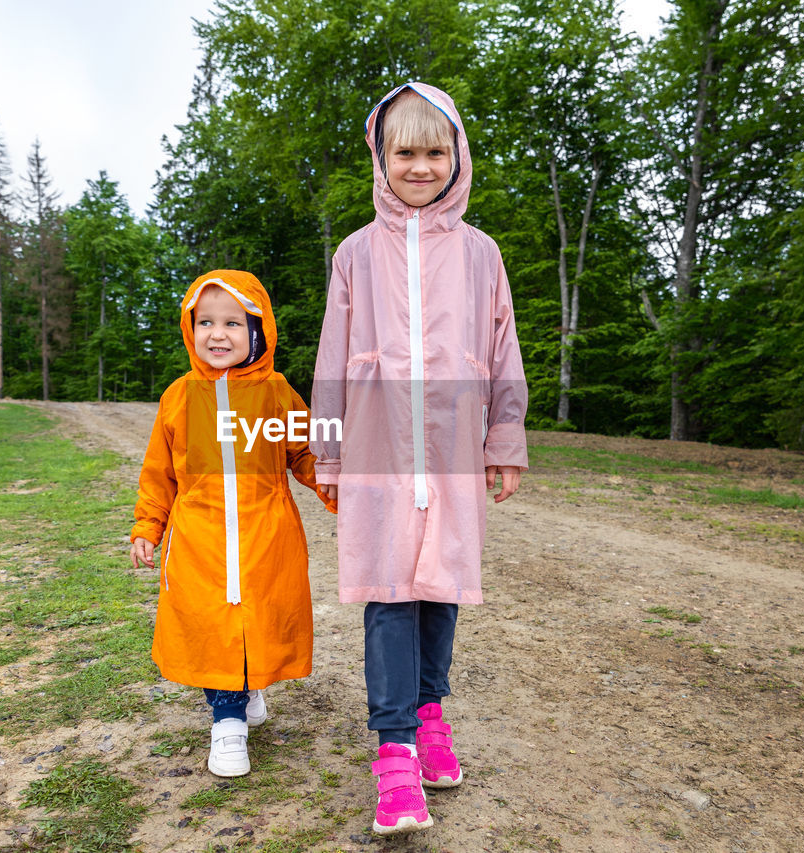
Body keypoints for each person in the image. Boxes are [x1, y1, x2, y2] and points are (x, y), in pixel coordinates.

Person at [311, 82, 528, 835]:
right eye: (406, 151)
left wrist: (504, 438)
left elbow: (503, 349)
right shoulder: (353, 254)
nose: (421, 165)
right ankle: (395, 750)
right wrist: (329, 455)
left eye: (437, 151)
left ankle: (431, 710)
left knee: (440, 590)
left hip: (453, 448)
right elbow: (333, 359)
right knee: (388, 594)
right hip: (377, 449)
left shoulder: (480, 254)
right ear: (381, 155)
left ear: (457, 156)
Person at [131, 269, 332, 778]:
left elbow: (304, 452)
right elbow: (159, 472)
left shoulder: (276, 392)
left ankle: (247, 686)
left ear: (258, 331)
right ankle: (227, 723)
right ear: (190, 328)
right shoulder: (178, 397)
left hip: (267, 530)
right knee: (210, 624)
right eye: (205, 322)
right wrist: (147, 527)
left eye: (233, 323)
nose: (217, 334)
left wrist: (335, 485)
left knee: (258, 615)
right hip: (200, 537)